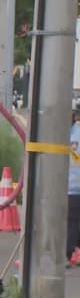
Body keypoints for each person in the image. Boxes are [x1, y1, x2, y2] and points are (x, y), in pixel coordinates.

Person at [68, 110, 80, 267]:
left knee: (72, 222)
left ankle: (68, 252)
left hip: (72, 188)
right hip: (71, 187)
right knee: (74, 222)